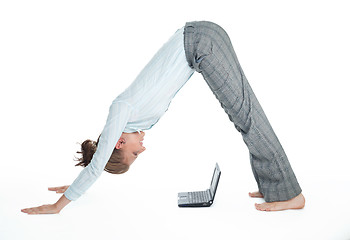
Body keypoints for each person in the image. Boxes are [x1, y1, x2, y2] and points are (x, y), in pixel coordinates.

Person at [21, 21, 305, 214]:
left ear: (117, 143)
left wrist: (59, 205)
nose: (142, 148)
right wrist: (76, 182)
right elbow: (96, 164)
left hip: (201, 43)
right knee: (244, 118)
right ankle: (275, 187)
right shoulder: (134, 119)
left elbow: (96, 167)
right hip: (201, 44)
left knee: (248, 118)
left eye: (135, 153)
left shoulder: (121, 111)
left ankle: (290, 196)